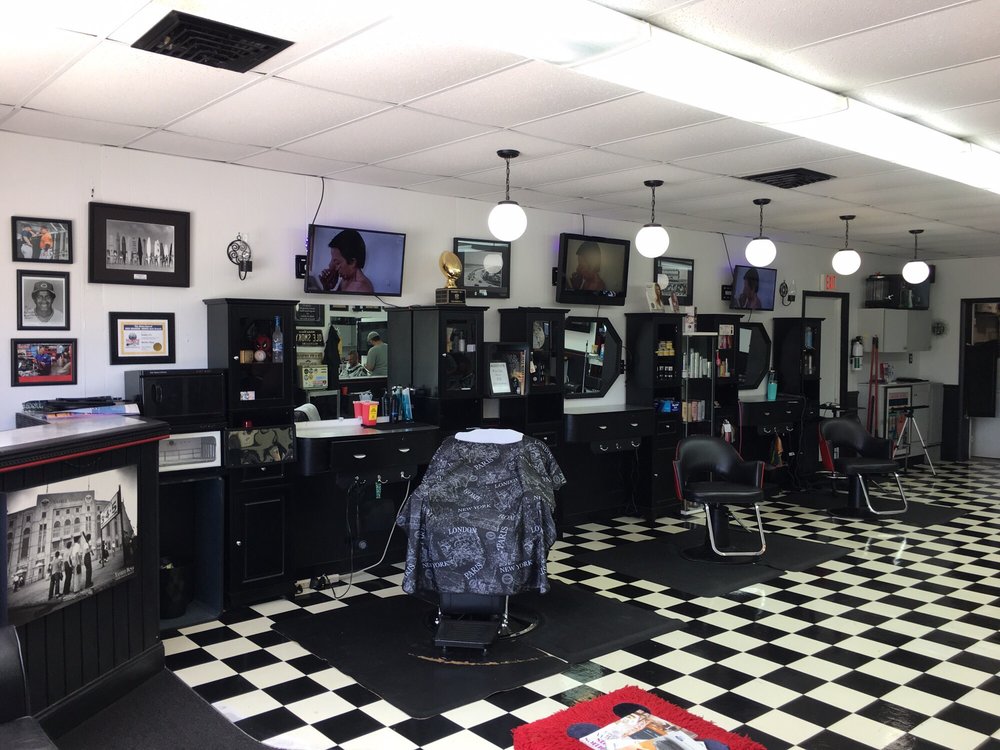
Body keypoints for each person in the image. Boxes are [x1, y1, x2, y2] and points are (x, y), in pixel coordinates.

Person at [319, 229, 374, 293]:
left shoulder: (361, 289)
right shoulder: (346, 279)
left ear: (352, 262)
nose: (331, 266)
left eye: (337, 263)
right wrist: (326, 288)